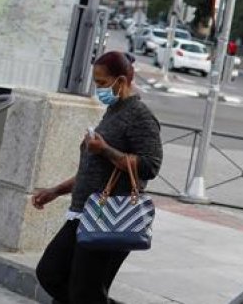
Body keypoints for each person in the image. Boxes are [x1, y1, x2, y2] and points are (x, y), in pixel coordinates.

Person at [33, 51, 163, 303]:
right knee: (51, 274)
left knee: (84, 292)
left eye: (103, 83)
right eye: (96, 83)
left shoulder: (140, 116)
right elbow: (93, 171)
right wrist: (55, 191)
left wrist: (104, 149)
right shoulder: (114, 111)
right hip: (84, 212)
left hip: (109, 216)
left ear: (122, 81)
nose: (99, 89)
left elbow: (150, 166)